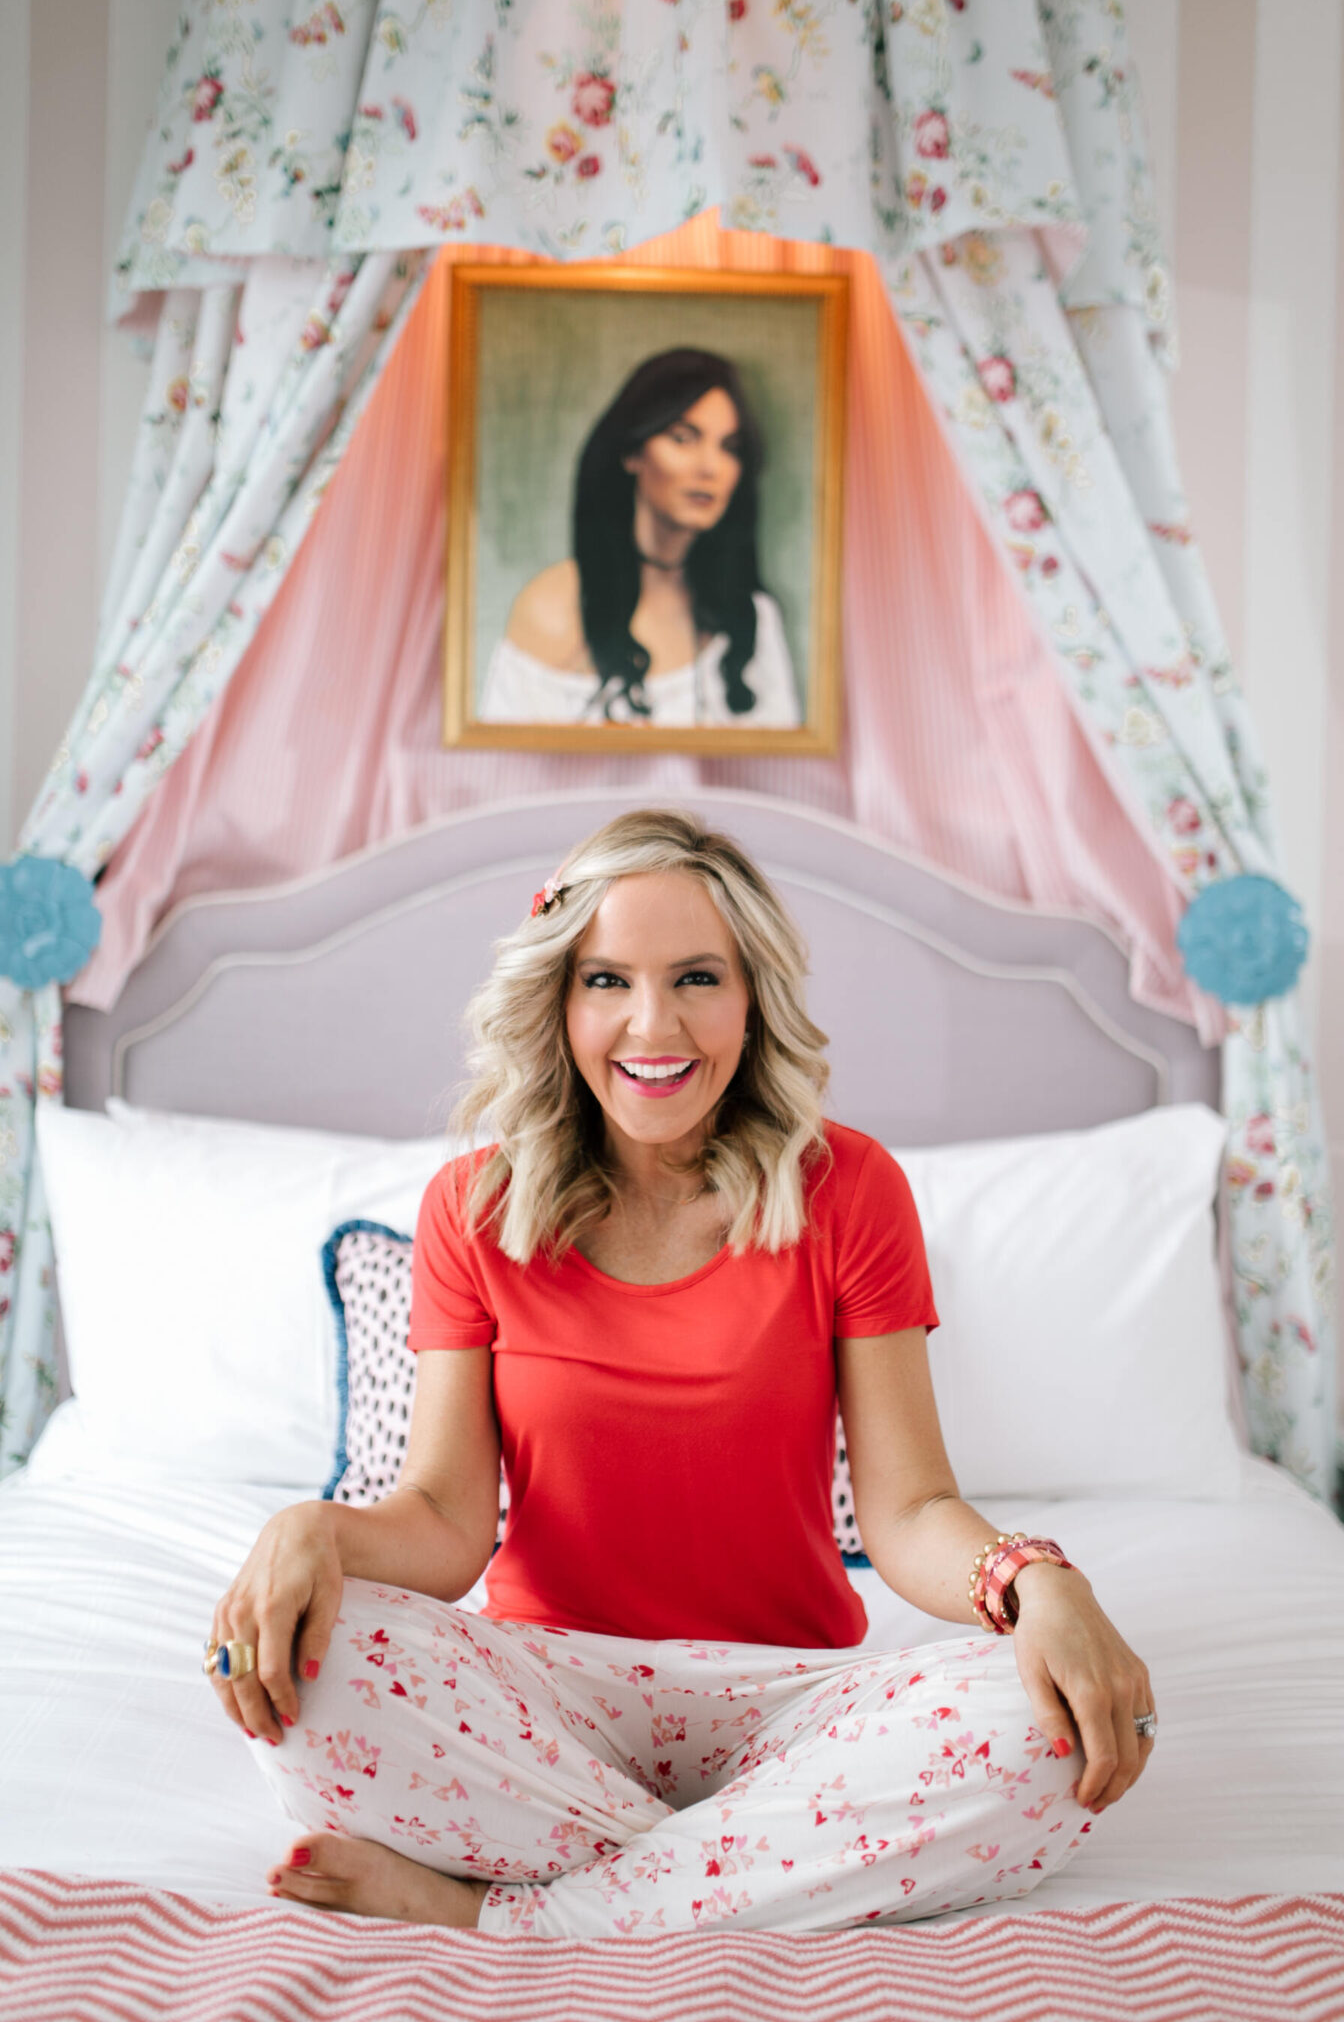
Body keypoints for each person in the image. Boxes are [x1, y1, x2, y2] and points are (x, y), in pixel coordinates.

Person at [205, 810, 1158, 1937]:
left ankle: (513, 1913)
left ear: (752, 996)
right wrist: (312, 1531)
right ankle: (763, 1859)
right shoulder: (472, 1209)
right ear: (557, 1002)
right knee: (319, 1678)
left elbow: (907, 1511)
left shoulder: (849, 1188)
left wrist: (1035, 1580)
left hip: (790, 1699)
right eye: (607, 979)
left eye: (697, 976)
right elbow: (445, 1525)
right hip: (549, 1692)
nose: (652, 1025)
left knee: (1049, 1729)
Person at [477, 350, 801, 729]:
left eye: (728, 448)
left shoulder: (752, 620)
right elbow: (504, 768)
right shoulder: (553, 608)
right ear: (633, 452)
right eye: (683, 438)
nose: (710, 467)